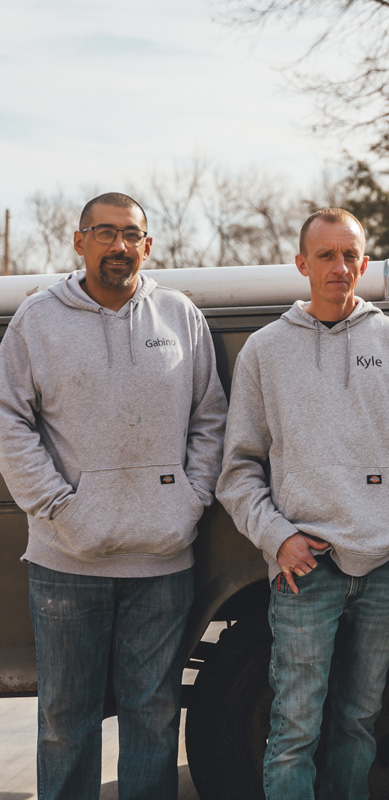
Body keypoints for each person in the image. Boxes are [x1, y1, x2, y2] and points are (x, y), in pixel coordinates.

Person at [0, 193, 227, 800]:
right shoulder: (37, 320)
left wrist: (191, 499)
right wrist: (56, 507)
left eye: (131, 235)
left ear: (147, 246)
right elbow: (8, 421)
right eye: (105, 233)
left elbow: (211, 418)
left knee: (152, 717)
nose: (119, 246)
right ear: (79, 242)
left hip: (162, 559)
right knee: (65, 723)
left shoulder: (179, 317)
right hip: (66, 561)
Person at [216, 207, 389, 800]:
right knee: (293, 729)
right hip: (302, 570)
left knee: (358, 722)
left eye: (350, 255)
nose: (339, 267)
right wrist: (278, 539)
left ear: (364, 264)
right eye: (326, 255)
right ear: (302, 264)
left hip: (384, 568)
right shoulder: (265, 353)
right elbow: (238, 470)